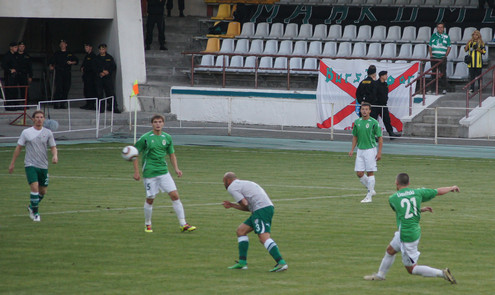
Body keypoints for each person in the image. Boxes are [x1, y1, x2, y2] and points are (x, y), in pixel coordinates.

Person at [363, 173, 459, 284]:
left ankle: (442, 273)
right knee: (390, 250)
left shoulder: (393, 198)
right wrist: (451, 188)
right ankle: (380, 275)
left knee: (412, 269)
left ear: (396, 182)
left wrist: (418, 210)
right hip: (408, 231)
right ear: (409, 183)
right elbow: (437, 191)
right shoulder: (418, 192)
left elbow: (401, 211)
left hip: (407, 235)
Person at [132, 114, 196, 233]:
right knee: (150, 199)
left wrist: (176, 169)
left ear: (163, 124)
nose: (158, 124)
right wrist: (136, 172)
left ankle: (183, 224)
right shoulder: (145, 138)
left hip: (163, 172)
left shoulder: (167, 137)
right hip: (150, 173)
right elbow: (134, 153)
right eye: (155, 122)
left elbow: (171, 154)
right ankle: (148, 224)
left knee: (175, 196)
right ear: (152, 124)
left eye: (160, 122)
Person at [222, 172, 288, 272]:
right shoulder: (244, 183)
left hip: (261, 209)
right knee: (241, 231)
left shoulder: (232, 187)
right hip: (263, 208)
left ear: (228, 181)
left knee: (263, 237)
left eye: (224, 182)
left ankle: (281, 263)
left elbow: (244, 203)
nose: (224, 185)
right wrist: (232, 205)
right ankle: (242, 263)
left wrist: (233, 205)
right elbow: (249, 207)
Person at [8, 110, 58, 222]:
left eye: (41, 117)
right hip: (30, 164)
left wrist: (55, 156)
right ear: (33, 119)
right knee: (34, 187)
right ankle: (36, 213)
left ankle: (31, 206)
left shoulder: (48, 132)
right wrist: (12, 163)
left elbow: (53, 147)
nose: (39, 119)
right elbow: (19, 148)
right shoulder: (26, 132)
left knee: (43, 191)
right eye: (37, 117)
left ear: (44, 119)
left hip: (43, 165)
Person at [348, 102, 383, 203]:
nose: (364, 111)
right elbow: (355, 136)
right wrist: (352, 149)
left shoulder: (374, 123)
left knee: (370, 172)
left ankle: (369, 196)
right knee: (359, 173)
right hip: (360, 150)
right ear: (360, 110)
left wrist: (379, 152)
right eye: (363, 109)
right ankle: (371, 190)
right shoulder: (357, 122)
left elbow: (380, 138)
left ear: (370, 111)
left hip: (370, 150)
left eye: (366, 109)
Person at [48, 39, 79, 109]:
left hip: (67, 72)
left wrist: (71, 62)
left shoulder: (70, 53)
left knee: (66, 88)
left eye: (64, 44)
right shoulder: (57, 53)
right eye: (61, 44)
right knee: (59, 88)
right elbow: (52, 61)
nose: (62, 45)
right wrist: (51, 66)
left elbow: (76, 61)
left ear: (66, 45)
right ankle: (56, 103)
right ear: (59, 45)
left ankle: (63, 103)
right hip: (59, 72)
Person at [374, 71, 400, 139]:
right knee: (373, 120)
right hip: (376, 105)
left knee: (387, 119)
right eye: (385, 75)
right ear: (381, 76)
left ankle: (391, 133)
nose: (386, 76)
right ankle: (373, 135)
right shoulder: (375, 84)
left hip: (383, 104)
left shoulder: (385, 84)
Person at [94, 44, 120, 113]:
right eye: (100, 49)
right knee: (99, 93)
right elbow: (94, 67)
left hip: (108, 78)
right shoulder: (96, 58)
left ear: (105, 49)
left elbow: (113, 67)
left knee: (111, 92)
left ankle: (113, 107)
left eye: (103, 49)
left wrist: (108, 72)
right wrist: (101, 71)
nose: (102, 50)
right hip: (99, 78)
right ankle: (101, 108)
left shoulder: (109, 57)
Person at [428, 23, 451, 95]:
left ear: (443, 28)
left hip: (442, 58)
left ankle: (444, 89)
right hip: (434, 58)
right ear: (436, 28)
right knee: (433, 74)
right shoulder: (433, 35)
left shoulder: (446, 36)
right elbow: (430, 46)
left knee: (443, 73)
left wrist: (445, 55)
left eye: (441, 27)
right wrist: (431, 55)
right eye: (438, 27)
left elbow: (449, 47)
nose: (440, 29)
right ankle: (433, 89)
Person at [1, 42, 20, 110]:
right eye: (15, 47)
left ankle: (15, 105)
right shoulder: (7, 55)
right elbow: (3, 65)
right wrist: (10, 70)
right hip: (9, 76)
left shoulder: (15, 55)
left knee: (15, 90)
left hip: (15, 76)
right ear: (11, 47)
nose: (16, 48)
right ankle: (9, 105)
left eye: (17, 47)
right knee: (9, 90)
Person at [80, 43, 98, 110]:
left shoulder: (93, 56)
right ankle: (88, 103)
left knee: (91, 91)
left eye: (87, 47)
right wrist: (82, 68)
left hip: (91, 77)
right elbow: (83, 64)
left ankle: (91, 104)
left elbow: (92, 67)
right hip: (86, 76)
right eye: (85, 47)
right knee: (86, 91)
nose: (86, 49)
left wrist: (85, 69)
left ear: (90, 47)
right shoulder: (86, 56)